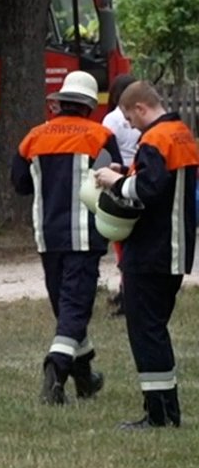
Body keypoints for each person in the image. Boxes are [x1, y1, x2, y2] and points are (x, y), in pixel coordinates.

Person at [11, 71, 122, 405]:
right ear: (88, 106)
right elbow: (118, 178)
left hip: (48, 236)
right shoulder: (100, 135)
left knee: (67, 310)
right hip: (86, 237)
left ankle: (85, 377)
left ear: (59, 103)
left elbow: (19, 184)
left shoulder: (33, 138)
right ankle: (56, 370)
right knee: (75, 309)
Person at [94, 80, 199, 429]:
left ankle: (159, 415)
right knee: (156, 328)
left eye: (128, 117)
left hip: (151, 250)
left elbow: (148, 189)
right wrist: (127, 173)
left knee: (145, 331)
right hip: (174, 248)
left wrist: (115, 181)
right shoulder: (180, 133)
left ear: (140, 108)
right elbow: (162, 182)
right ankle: (167, 410)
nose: (129, 124)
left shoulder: (154, 139)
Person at [102, 72, 140, 316]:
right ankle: (129, 290)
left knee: (120, 240)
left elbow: (106, 151)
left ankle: (127, 292)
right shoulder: (140, 117)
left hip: (118, 179)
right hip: (137, 177)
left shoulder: (111, 119)